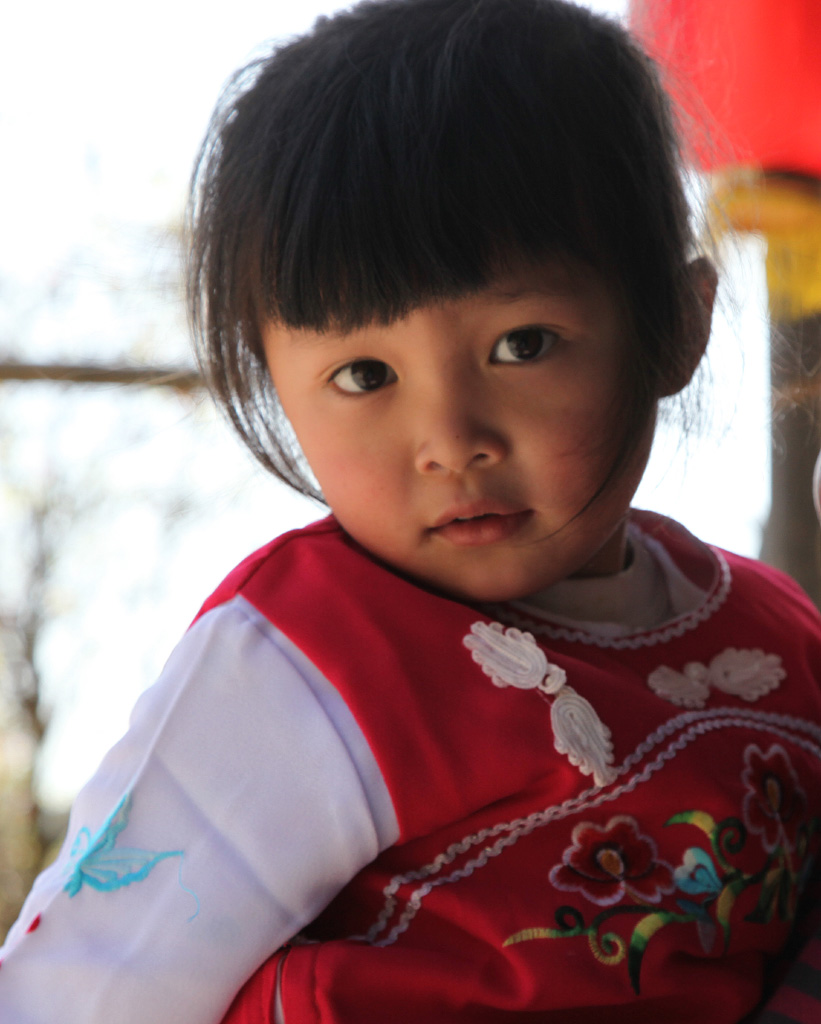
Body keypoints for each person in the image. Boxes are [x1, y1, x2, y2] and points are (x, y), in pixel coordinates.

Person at [1, 0, 820, 1021]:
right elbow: (82, 991)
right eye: (362, 372)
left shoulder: (783, 647)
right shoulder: (309, 661)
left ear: (675, 325)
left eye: (521, 344)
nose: (448, 438)